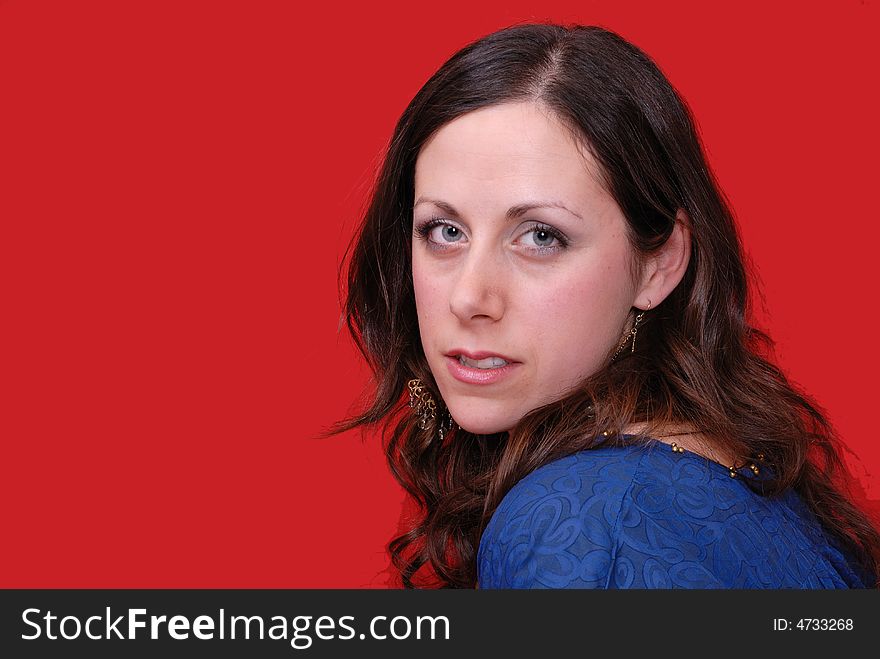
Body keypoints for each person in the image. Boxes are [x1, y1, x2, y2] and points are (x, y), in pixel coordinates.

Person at [328, 22, 880, 588]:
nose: (469, 298)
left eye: (541, 236)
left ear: (659, 264)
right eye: (444, 231)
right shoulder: (727, 471)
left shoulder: (581, 520)